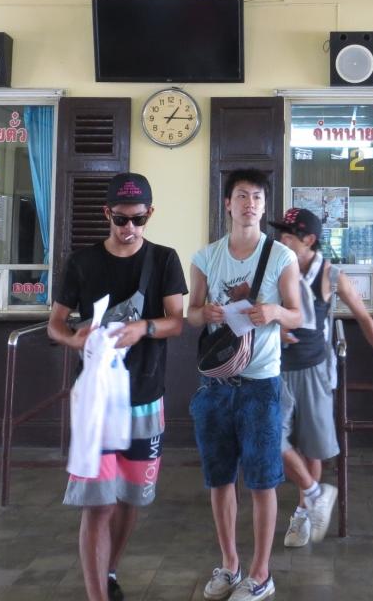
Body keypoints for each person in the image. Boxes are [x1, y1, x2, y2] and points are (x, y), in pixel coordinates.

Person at [48, 173, 187, 601]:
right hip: (97, 400)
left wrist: (143, 327)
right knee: (98, 504)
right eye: (121, 219)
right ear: (107, 213)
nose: (130, 228)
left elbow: (176, 322)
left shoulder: (164, 260)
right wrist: (75, 339)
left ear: (150, 214)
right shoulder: (82, 262)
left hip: (145, 396)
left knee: (129, 498)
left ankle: (109, 571)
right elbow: (56, 324)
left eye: (139, 219)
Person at [188, 170, 302, 601]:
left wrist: (274, 312)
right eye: (241, 196)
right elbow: (190, 313)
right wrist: (206, 314)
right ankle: (230, 565)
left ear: (264, 206)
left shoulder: (281, 257)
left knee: (262, 481)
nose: (249, 204)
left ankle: (261, 573)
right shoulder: (206, 257)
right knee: (219, 479)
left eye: (256, 197)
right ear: (228, 204)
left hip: (260, 384)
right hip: (215, 384)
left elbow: (298, 315)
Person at [268, 207, 373, 548]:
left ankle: (303, 513)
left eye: (288, 236)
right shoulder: (275, 267)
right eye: (280, 235)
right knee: (270, 437)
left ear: (309, 240)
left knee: (312, 447)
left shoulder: (331, 276)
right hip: (275, 367)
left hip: (314, 370)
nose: (281, 241)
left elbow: (364, 319)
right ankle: (315, 493)